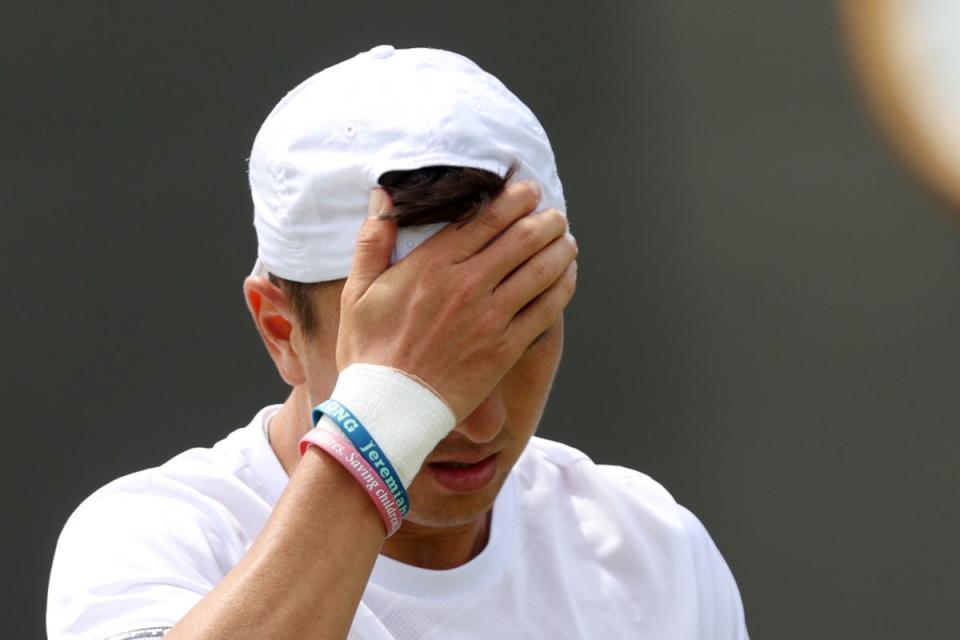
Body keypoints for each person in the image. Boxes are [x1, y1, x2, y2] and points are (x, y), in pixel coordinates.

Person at [47, 45, 748, 640]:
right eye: (415, 358)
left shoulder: (653, 549)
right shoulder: (150, 540)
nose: (481, 420)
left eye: (512, 334)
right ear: (280, 332)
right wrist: (377, 428)